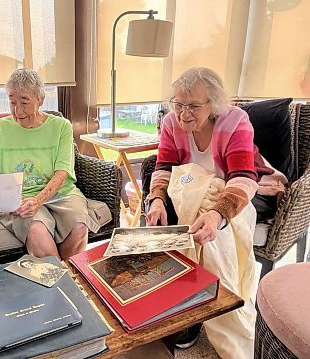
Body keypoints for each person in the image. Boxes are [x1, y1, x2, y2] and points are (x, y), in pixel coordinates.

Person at [145, 67, 286, 358]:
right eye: (178, 104)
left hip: (243, 191)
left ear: (214, 103)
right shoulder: (172, 123)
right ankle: (179, 302)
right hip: (191, 195)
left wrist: (216, 214)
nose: (184, 114)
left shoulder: (235, 122)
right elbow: (164, 168)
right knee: (164, 222)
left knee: (211, 237)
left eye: (194, 106)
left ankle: (207, 306)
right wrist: (156, 199)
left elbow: (243, 177)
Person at [0, 68, 96, 260]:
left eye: (24, 102)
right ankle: (64, 284)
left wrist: (38, 200)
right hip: (18, 199)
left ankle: (69, 281)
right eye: (12, 102)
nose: (17, 111)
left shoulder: (61, 126)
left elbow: (62, 171)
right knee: (37, 232)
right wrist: (11, 201)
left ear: (40, 99)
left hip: (61, 194)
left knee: (79, 227)